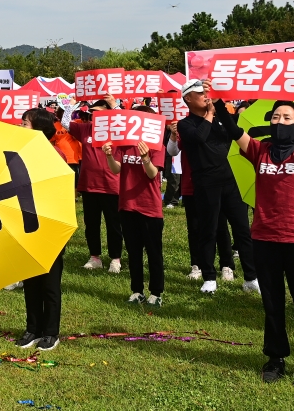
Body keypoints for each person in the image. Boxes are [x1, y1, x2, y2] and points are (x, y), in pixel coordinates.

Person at [213, 76, 294, 388]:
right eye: (275, 117)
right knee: (272, 303)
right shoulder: (259, 150)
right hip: (264, 237)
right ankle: (275, 358)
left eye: (287, 118)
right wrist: (217, 99)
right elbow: (234, 130)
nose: (279, 121)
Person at [177, 79, 259, 295]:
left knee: (242, 230)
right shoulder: (185, 124)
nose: (205, 95)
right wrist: (210, 114)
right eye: (200, 93)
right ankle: (209, 277)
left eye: (207, 92)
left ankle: (251, 277)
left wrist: (218, 106)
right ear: (188, 98)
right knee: (208, 230)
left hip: (231, 181)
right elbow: (199, 137)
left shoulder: (222, 117)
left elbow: (234, 131)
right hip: (206, 183)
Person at [15, 108, 67, 352]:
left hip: (49, 227)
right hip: (25, 225)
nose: (21, 126)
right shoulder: (19, 154)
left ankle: (51, 332)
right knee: (31, 281)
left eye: (25, 123)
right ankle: (32, 328)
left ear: (39, 129)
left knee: (49, 283)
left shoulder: (55, 155)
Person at [101, 105, 165, 307]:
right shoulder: (125, 144)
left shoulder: (156, 145)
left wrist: (146, 158)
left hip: (150, 207)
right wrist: (109, 155)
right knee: (134, 252)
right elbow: (116, 169)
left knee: (154, 252)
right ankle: (137, 291)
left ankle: (156, 292)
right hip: (127, 205)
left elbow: (153, 174)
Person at [167, 121, 235, 280]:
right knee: (195, 227)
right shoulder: (186, 125)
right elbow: (172, 151)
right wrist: (173, 134)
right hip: (192, 185)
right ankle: (197, 265)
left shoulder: (218, 125)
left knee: (220, 225)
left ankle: (226, 265)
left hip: (216, 184)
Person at [62, 98, 123, 274]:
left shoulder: (118, 130)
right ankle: (95, 256)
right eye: (92, 112)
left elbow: (128, 118)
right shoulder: (85, 129)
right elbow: (66, 123)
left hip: (111, 185)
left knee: (113, 225)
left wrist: (115, 106)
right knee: (91, 224)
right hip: (89, 185)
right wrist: (71, 104)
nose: (93, 115)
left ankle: (115, 258)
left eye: (98, 112)